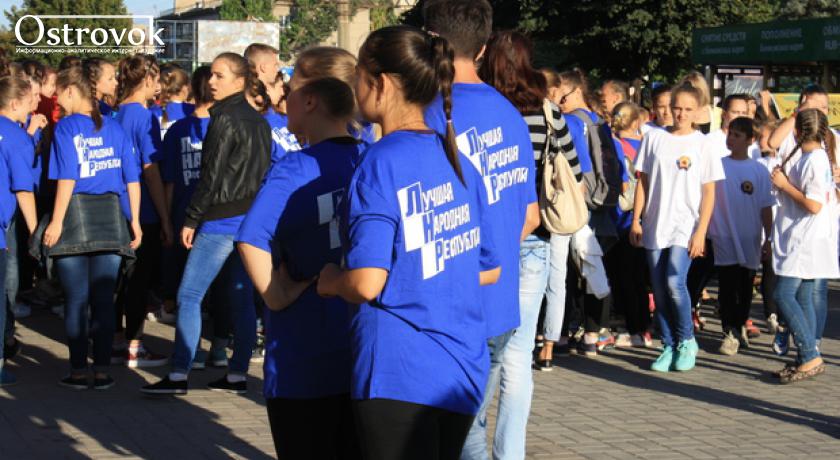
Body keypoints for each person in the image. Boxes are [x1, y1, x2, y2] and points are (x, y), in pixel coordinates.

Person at [316, 25, 501, 460]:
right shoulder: (458, 160)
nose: (355, 88)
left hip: (399, 370)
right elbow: (489, 268)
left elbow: (366, 282)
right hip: (460, 365)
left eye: (358, 77)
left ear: (379, 83)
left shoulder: (380, 161)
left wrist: (330, 281)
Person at [422, 2, 539, 459]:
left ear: (429, 40)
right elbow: (530, 216)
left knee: (458, 435)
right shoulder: (509, 113)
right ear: (484, 47)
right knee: (470, 425)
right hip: (499, 301)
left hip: (449, 308)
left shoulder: (428, 113)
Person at [237, 76, 363, 460]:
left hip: (303, 350)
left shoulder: (295, 167)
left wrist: (275, 295)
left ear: (311, 103)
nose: (282, 101)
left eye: (289, 95)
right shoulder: (370, 158)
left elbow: (251, 237)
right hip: (361, 348)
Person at [477, 32, 582, 457]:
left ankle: (470, 443)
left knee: (484, 352)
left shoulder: (484, 110)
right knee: (519, 357)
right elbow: (573, 172)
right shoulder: (549, 112)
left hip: (487, 243)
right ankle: (510, 452)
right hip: (534, 240)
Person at [142, 52, 271, 395]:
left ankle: (179, 374)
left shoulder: (224, 118)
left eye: (219, 75)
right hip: (249, 219)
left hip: (221, 219)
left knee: (189, 294)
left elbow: (211, 175)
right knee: (240, 298)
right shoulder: (259, 121)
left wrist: (192, 218)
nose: (211, 81)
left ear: (240, 81)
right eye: (211, 75)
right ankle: (237, 374)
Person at [46, 66, 142, 390]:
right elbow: (132, 179)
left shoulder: (65, 127)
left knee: (76, 300)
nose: (57, 100)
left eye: (59, 94)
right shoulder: (114, 128)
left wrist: (56, 221)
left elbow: (67, 177)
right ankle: (101, 371)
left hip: (74, 214)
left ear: (72, 91)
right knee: (103, 299)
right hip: (112, 216)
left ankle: (77, 371)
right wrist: (134, 220)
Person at [630, 83, 725, 372]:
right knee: (659, 289)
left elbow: (709, 192)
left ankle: (686, 339)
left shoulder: (703, 144)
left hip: (686, 224)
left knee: (674, 281)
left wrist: (701, 232)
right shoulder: (654, 138)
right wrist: (636, 220)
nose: (681, 114)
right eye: (677, 108)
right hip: (656, 222)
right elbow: (643, 182)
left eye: (687, 109)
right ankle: (668, 345)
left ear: (697, 112)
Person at [769, 108, 838, 383]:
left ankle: (809, 353)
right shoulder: (812, 157)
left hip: (806, 238)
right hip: (805, 235)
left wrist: (785, 185)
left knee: (784, 294)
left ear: (797, 131)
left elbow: (814, 204)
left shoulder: (815, 160)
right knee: (804, 295)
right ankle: (806, 357)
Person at [113, 54, 172, 368]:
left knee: (118, 280)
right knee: (138, 279)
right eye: (157, 79)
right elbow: (151, 171)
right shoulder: (144, 116)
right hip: (143, 209)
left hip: (115, 205)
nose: (159, 85)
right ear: (147, 79)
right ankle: (135, 346)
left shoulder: (113, 113)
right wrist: (165, 217)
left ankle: (114, 339)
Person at [708, 117, 773, 355]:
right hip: (724, 235)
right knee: (727, 285)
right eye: (730, 134)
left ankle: (740, 325)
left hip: (750, 237)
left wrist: (769, 238)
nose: (731, 139)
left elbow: (766, 206)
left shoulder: (758, 170)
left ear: (750, 140)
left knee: (745, 287)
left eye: (737, 135)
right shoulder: (718, 166)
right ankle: (730, 331)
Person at [0, 76, 40, 386]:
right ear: (14, 103)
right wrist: (35, 231)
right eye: (28, 102)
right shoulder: (15, 136)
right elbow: (23, 188)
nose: (32, 108)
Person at [608, 101, 653, 348]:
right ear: (637, 121)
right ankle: (643, 327)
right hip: (641, 217)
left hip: (619, 217)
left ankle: (634, 328)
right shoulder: (647, 145)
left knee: (623, 276)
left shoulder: (613, 143)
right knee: (637, 277)